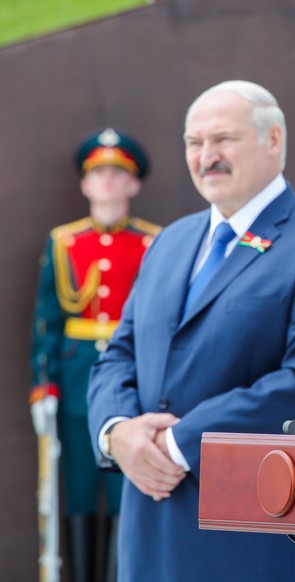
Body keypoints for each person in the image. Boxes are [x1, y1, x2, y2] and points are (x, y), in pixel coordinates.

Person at [86, 80, 295, 581]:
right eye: (193, 143)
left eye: (223, 139)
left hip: (260, 537)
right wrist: (117, 433)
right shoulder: (170, 242)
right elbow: (119, 355)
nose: (206, 156)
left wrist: (176, 445)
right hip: (153, 528)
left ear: (273, 140)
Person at [30, 128, 159, 582]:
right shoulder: (64, 242)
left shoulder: (152, 243)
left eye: (116, 173)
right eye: (98, 173)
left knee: (128, 494)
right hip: (75, 379)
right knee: (80, 494)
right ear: (84, 184)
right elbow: (47, 320)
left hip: (135, 383)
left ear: (134, 183)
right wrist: (43, 384)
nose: (106, 181)